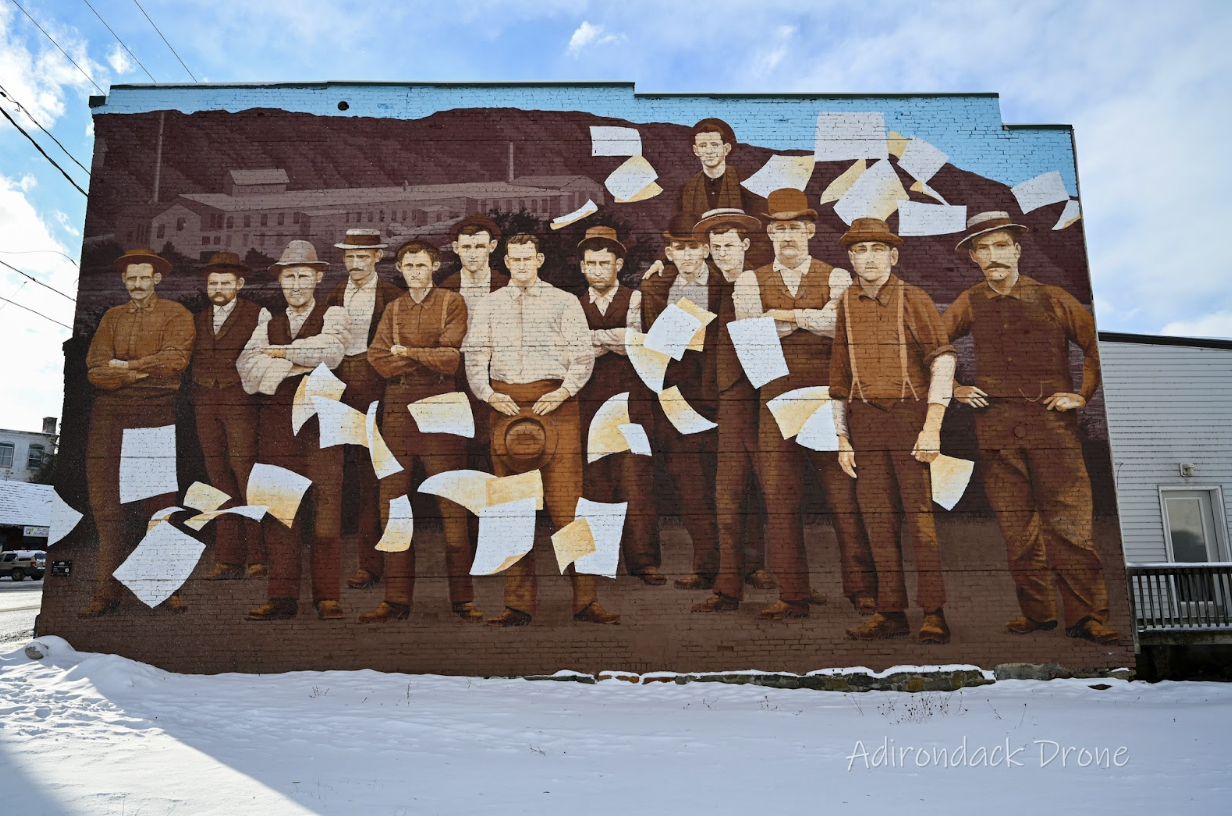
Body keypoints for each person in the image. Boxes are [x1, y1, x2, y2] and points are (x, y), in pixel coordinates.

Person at [944, 211, 1118, 645]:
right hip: (996, 429)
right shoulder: (970, 302)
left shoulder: (1053, 298)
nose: (993, 256)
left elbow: (1097, 346)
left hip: (1052, 428)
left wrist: (1082, 395)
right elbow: (932, 349)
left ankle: (1088, 617)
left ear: (1018, 250)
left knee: (1069, 528)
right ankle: (1038, 615)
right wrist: (957, 387)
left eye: (1001, 245)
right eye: (982, 249)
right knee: (1017, 531)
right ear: (972, 258)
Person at [699, 190, 871, 619]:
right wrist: (812, 318)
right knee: (779, 498)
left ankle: (863, 590)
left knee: (843, 498)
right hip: (774, 401)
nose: (787, 236)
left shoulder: (838, 278)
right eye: (779, 229)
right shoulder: (748, 281)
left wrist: (787, 316)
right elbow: (752, 339)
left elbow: (842, 328)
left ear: (810, 231)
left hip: (828, 398)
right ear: (769, 234)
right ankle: (793, 595)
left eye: (796, 227)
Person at [464, 233, 620, 626]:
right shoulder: (489, 304)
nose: (520, 265)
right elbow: (476, 354)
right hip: (506, 404)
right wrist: (486, 393)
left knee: (568, 506)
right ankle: (517, 605)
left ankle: (587, 601)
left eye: (526, 258)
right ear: (506, 262)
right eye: (513, 259)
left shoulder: (563, 302)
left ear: (540, 259)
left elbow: (583, 356)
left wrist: (565, 390)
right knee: (511, 508)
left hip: (556, 405)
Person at [830, 218, 957, 644]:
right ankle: (891, 612)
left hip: (909, 418)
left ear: (893, 256)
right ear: (850, 258)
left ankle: (934, 612)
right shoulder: (845, 302)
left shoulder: (913, 297)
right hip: (864, 422)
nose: (868, 258)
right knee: (878, 522)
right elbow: (839, 374)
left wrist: (933, 425)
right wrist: (842, 436)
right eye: (859, 251)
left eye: (877, 250)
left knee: (920, 522)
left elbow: (943, 359)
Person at [358, 240, 482, 623]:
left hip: (442, 407)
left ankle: (462, 599)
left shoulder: (451, 303)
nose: (415, 271)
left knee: (453, 506)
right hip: (397, 412)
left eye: (422, 265)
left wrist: (408, 353)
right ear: (400, 269)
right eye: (409, 266)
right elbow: (377, 359)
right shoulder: (393, 309)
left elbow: (451, 358)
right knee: (393, 507)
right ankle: (396, 600)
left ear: (435, 266)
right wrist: (422, 359)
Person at [79, 248, 195, 618]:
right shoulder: (112, 318)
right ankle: (105, 593)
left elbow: (174, 361)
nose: (138, 284)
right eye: (132, 278)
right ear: (124, 281)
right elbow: (96, 371)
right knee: (107, 506)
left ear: (157, 279)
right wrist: (142, 370)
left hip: (154, 411)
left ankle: (162, 590)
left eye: (145, 277)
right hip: (108, 415)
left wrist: (125, 367)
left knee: (158, 506)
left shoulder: (176, 314)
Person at [238, 240, 350, 621]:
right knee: (278, 510)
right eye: (289, 277)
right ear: (281, 281)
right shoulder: (266, 323)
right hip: (275, 427)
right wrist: (300, 362)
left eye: (304, 276)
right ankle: (282, 598)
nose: (297, 285)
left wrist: (281, 353)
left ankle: (327, 597)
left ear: (318, 277)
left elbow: (332, 353)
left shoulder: (335, 314)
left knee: (326, 512)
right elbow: (248, 373)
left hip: (321, 422)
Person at [573, 226, 663, 585]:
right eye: (591, 263)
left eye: (605, 263)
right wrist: (615, 339)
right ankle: (599, 559)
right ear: (581, 266)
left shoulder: (636, 299)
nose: (597, 270)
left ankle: (644, 562)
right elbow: (574, 351)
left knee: (636, 480)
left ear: (619, 264)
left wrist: (601, 341)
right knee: (595, 482)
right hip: (589, 404)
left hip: (633, 405)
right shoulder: (572, 304)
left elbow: (636, 343)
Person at [692, 208, 775, 595]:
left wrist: (762, 397)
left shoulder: (756, 281)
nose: (723, 252)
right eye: (715, 246)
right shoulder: (713, 285)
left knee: (769, 487)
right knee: (728, 489)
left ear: (745, 245)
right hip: (728, 400)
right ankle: (732, 573)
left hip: (761, 399)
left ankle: (763, 568)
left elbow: (764, 354)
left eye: (729, 245)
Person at [640, 213, 724, 590]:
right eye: (679, 249)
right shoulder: (656, 287)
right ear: (669, 252)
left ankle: (751, 565)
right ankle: (706, 566)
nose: (687, 256)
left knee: (735, 483)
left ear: (705, 250)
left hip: (723, 395)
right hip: (676, 397)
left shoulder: (728, 282)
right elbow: (658, 347)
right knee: (691, 485)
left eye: (694, 248)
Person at [326, 229, 403, 591]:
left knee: (381, 479)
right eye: (349, 257)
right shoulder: (333, 295)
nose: (355, 264)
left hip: (380, 392)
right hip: (341, 391)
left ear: (377, 257)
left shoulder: (392, 296)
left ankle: (378, 565)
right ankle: (359, 562)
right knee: (350, 478)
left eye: (362, 257)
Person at [191, 252, 266, 581]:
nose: (218, 288)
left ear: (239, 283)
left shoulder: (257, 313)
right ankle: (227, 559)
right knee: (217, 480)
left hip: (240, 401)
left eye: (225, 282)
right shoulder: (196, 319)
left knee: (247, 476)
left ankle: (258, 556)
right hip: (205, 402)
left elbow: (260, 357)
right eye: (212, 283)